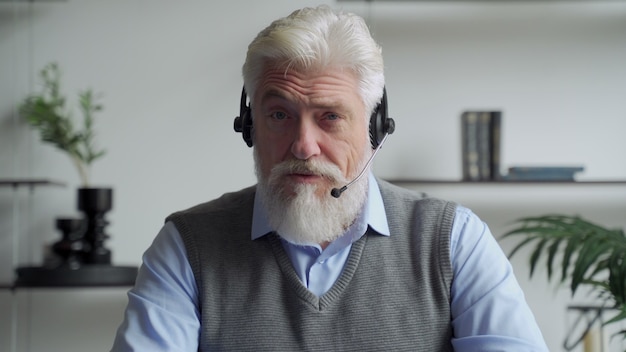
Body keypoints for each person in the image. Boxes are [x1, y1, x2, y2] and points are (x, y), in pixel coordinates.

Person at [111, 5, 548, 351]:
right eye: (279, 114)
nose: (303, 146)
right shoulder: (187, 247)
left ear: (375, 130)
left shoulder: (455, 242)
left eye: (330, 117)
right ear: (250, 126)